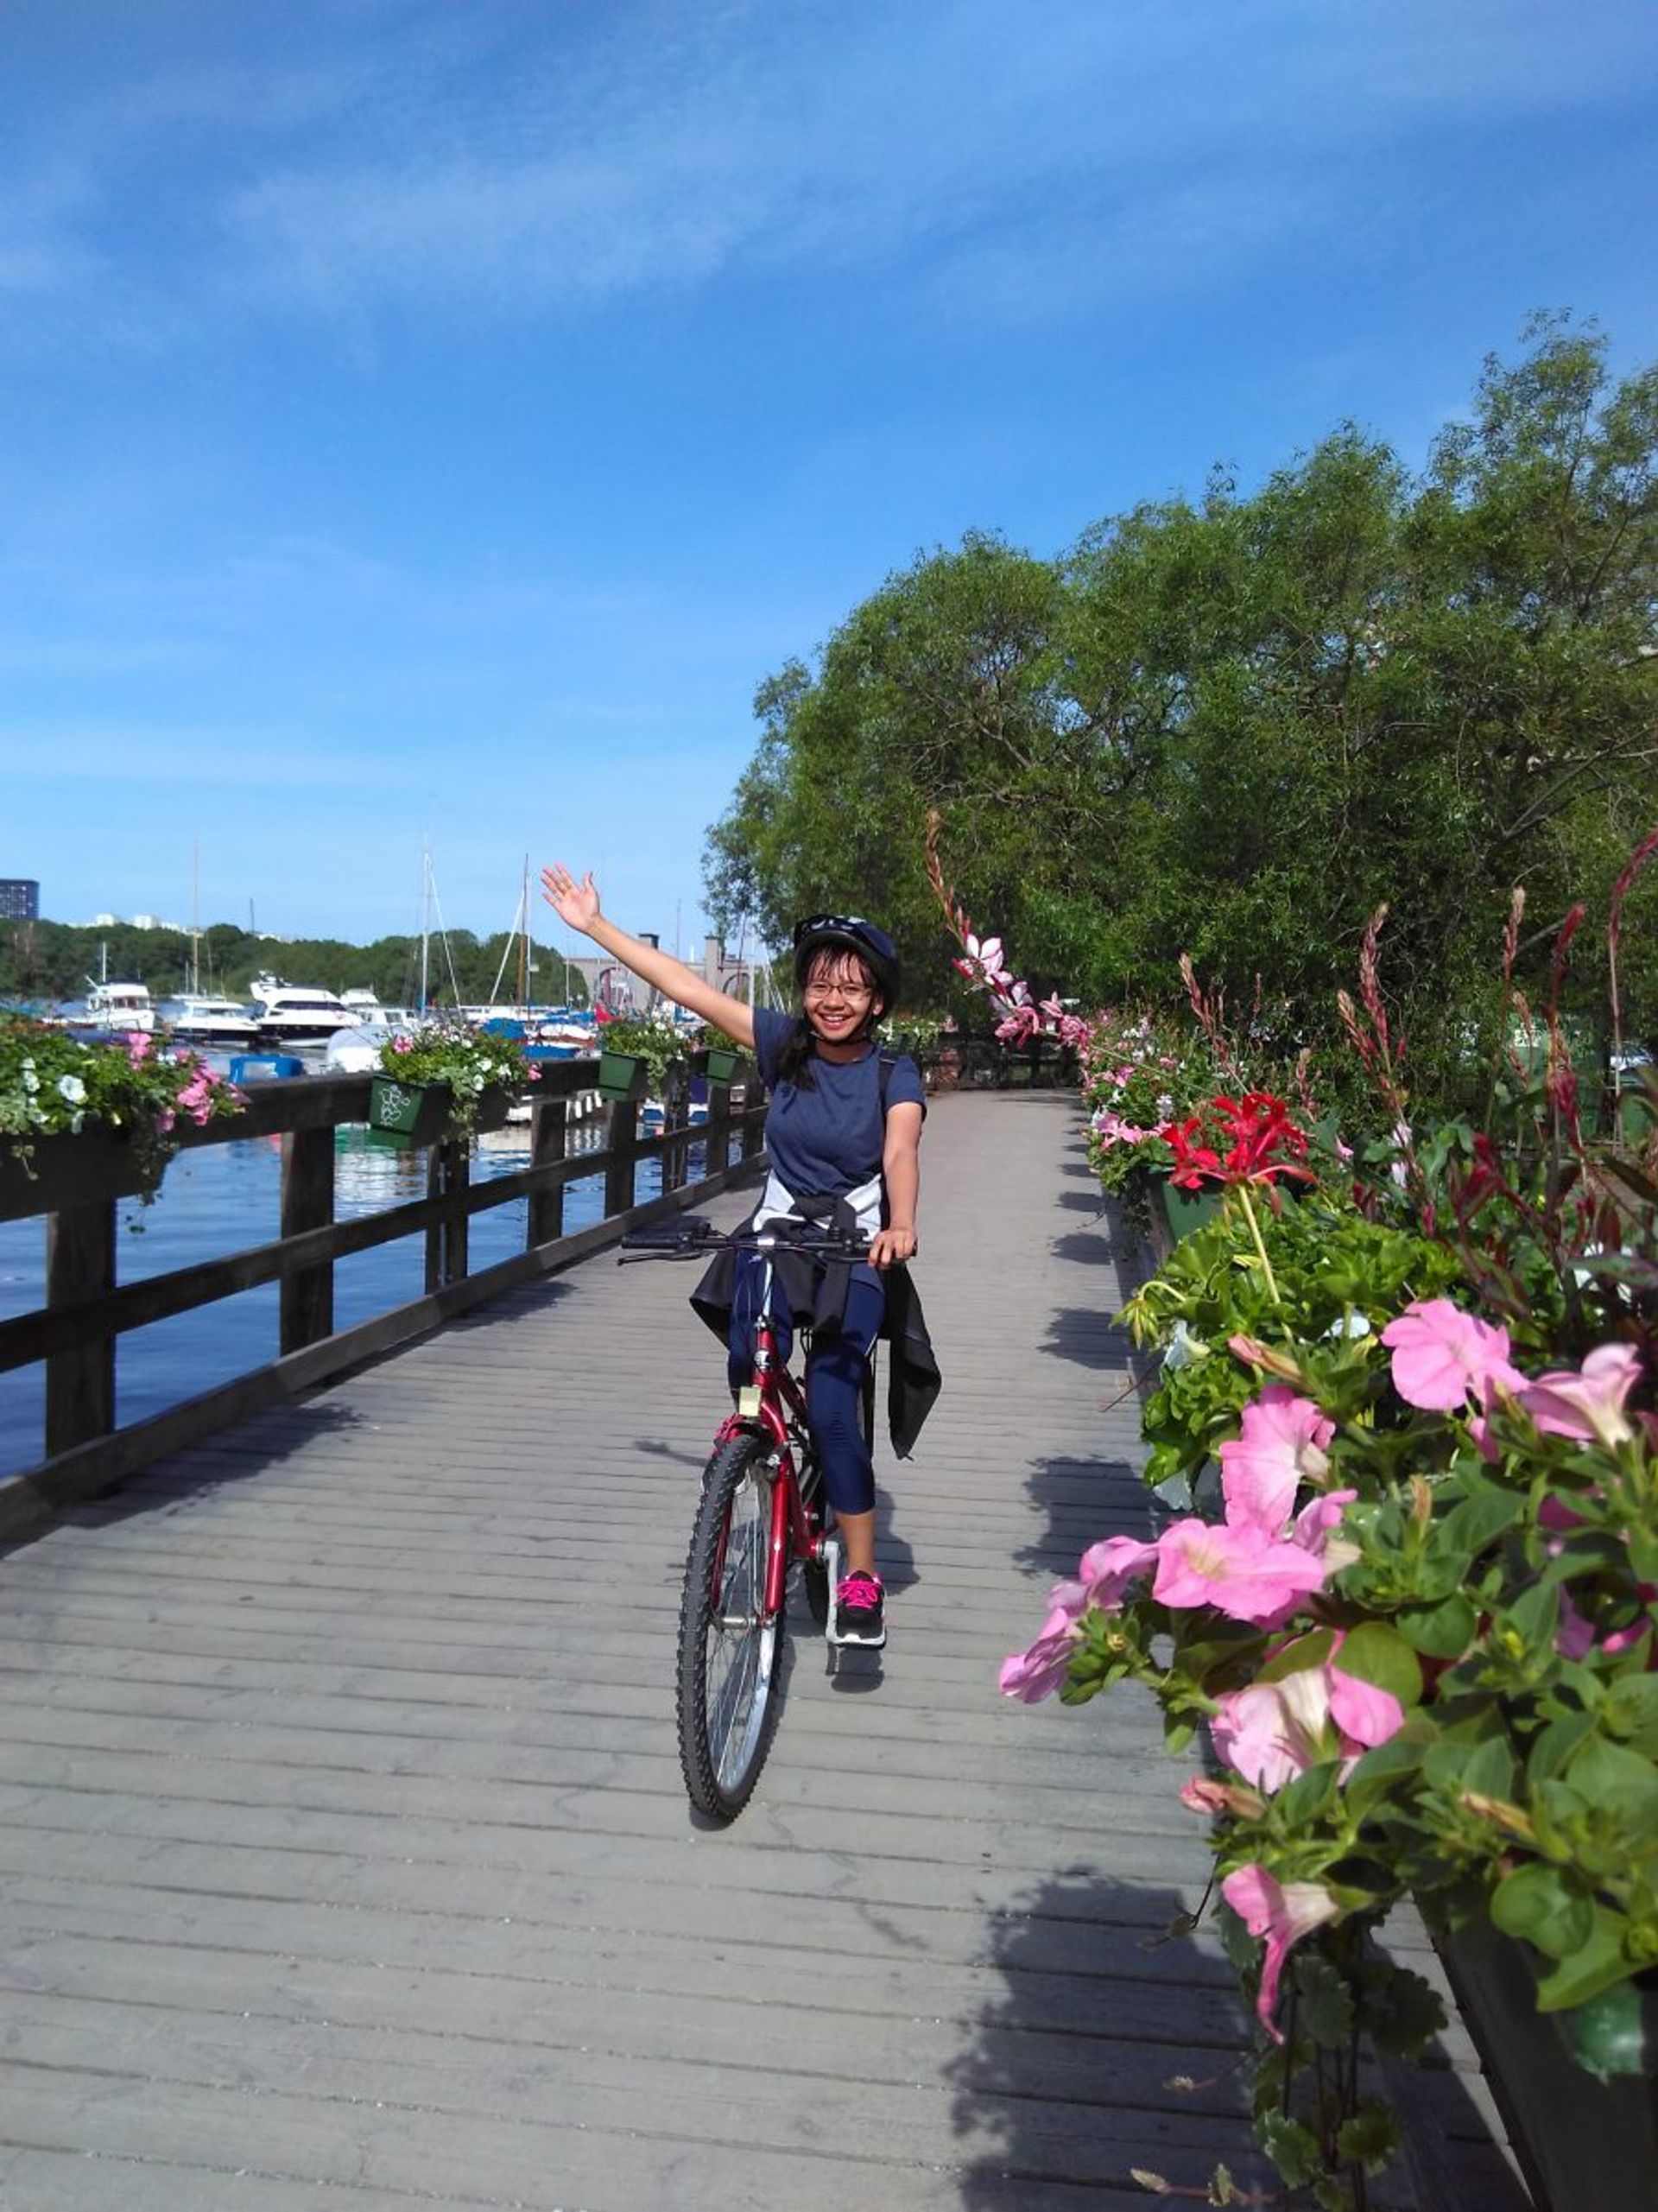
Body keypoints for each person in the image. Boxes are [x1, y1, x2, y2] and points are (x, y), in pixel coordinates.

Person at [541, 865, 938, 1647]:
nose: (833, 1000)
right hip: (777, 1232)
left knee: (830, 1401)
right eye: (821, 984)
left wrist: (905, 1222)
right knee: (748, 1366)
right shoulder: (783, 1044)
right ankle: (757, 1463)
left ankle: (859, 1572)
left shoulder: (895, 1069)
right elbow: (687, 989)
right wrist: (596, 927)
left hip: (856, 1242)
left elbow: (901, 1148)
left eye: (852, 989)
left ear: (878, 1001)